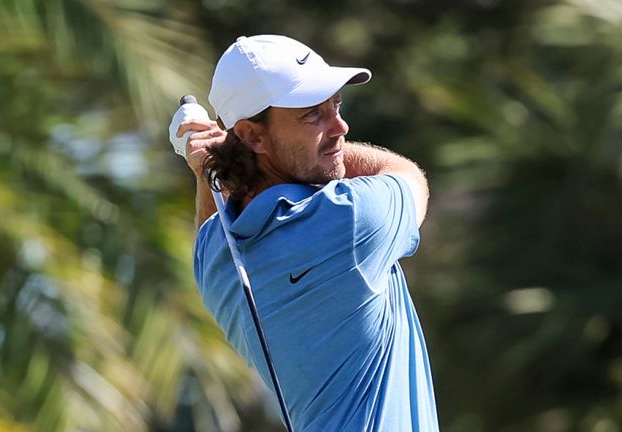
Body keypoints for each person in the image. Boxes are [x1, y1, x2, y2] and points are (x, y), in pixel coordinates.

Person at [174, 34, 439, 431]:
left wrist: (215, 166)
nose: (340, 126)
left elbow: (216, 226)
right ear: (253, 134)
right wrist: (223, 158)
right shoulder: (349, 221)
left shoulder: (214, 264)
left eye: (335, 105)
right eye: (312, 114)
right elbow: (408, 177)